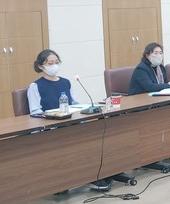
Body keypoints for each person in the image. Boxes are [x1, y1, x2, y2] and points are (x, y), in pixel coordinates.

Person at [27, 49, 112, 192]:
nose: (54, 66)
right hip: (51, 126)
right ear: (41, 66)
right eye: (50, 63)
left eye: (57, 62)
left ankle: (97, 174)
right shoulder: (35, 86)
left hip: (69, 122)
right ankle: (71, 179)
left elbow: (75, 104)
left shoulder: (65, 82)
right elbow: (35, 112)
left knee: (94, 135)